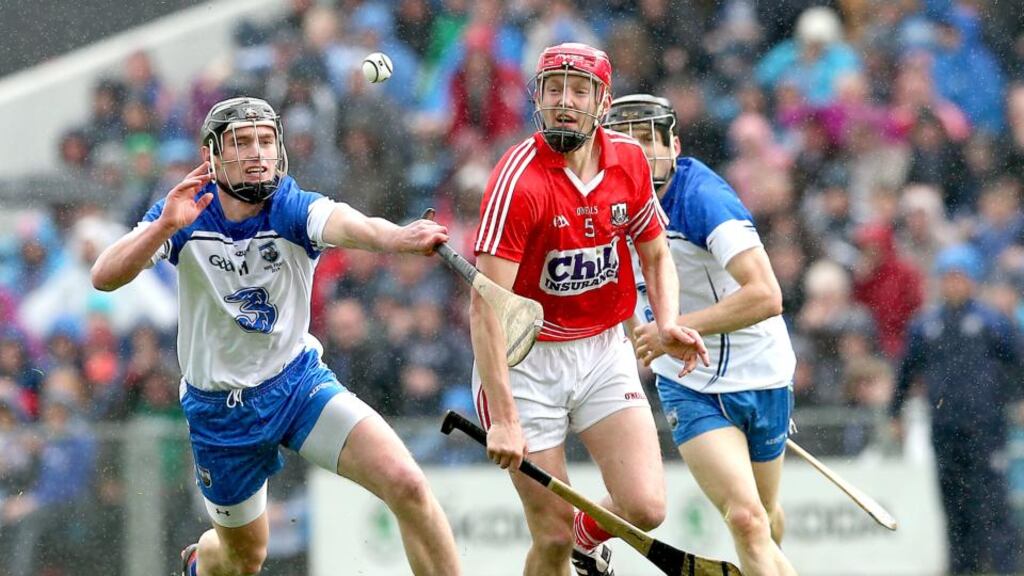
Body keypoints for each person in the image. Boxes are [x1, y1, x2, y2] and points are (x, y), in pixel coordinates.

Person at [90, 96, 461, 576]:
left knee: (406, 484)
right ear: (212, 156)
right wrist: (163, 226)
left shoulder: (290, 206)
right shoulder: (185, 212)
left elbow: (352, 225)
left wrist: (399, 237)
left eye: (265, 141)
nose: (257, 153)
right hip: (220, 413)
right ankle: (202, 561)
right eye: (242, 142)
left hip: (297, 386)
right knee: (244, 559)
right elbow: (104, 275)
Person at [470, 43, 709, 576]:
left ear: (603, 102)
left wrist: (667, 321)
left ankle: (584, 541)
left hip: (603, 350)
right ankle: (567, 542)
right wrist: (504, 418)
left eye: (580, 91)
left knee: (644, 507)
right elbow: (485, 310)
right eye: (554, 89)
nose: (565, 101)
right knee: (550, 535)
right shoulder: (518, 180)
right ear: (538, 97)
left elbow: (655, 254)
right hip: (526, 362)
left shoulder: (628, 160)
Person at [603, 94, 798, 576]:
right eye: (628, 141)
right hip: (688, 383)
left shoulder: (702, 198)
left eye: (650, 139)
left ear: (674, 146)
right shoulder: (604, 203)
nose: (640, 151)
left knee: (766, 518)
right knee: (746, 520)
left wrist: (675, 328)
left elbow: (766, 295)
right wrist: (642, 334)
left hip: (763, 372)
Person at [890, 245, 1021, 576]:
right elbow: (906, 371)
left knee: (992, 501)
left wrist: (1019, 400)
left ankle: (1005, 567)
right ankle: (963, 567)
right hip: (944, 428)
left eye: (959, 277)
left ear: (972, 280)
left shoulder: (992, 322)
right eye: (947, 277)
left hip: (986, 428)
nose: (953, 284)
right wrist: (895, 411)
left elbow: (1018, 365)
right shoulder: (925, 325)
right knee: (952, 502)